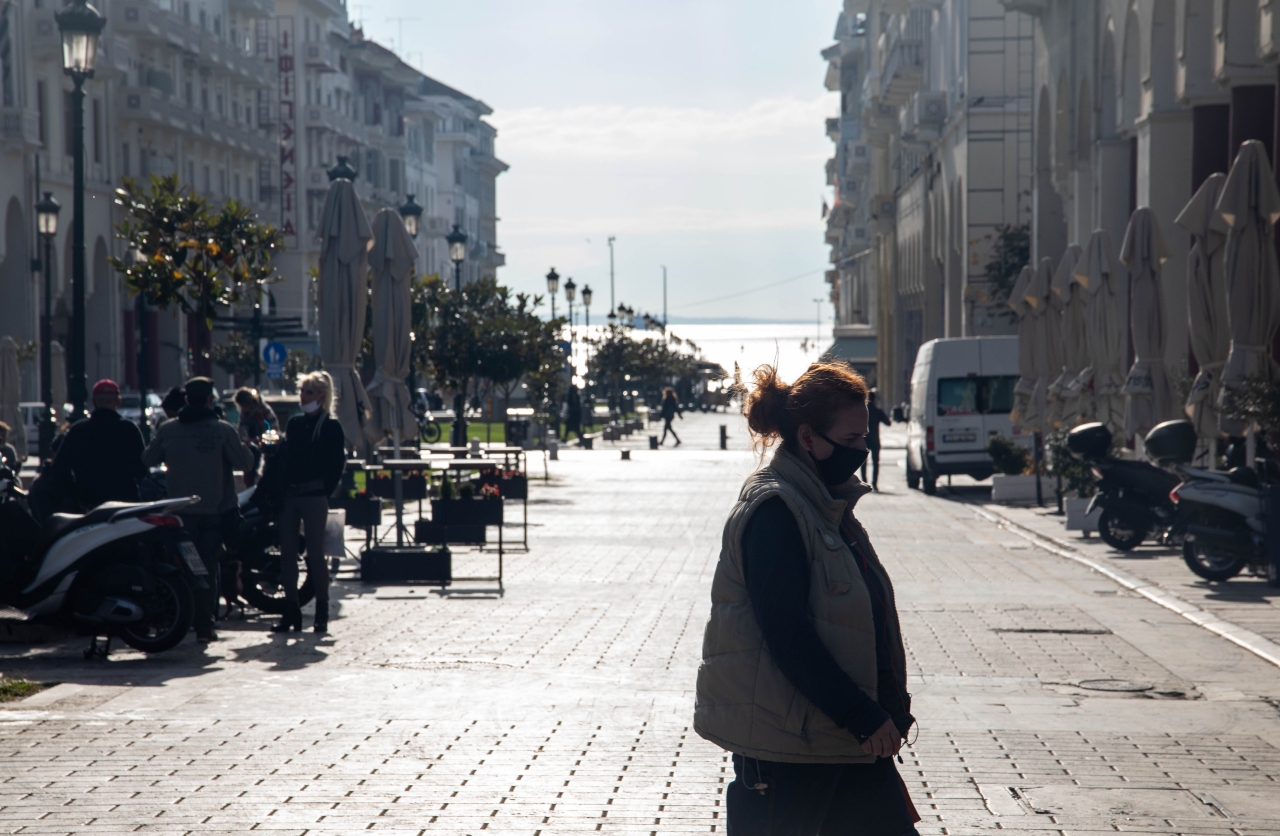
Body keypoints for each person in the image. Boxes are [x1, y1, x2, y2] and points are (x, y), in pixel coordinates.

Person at [694, 362, 918, 836]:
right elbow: (788, 636)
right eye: (852, 438)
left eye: (865, 436)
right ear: (808, 437)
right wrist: (863, 715)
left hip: (844, 745)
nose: (863, 449)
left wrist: (889, 707)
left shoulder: (827, 507)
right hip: (789, 755)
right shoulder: (776, 512)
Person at [143, 377, 254, 642]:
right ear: (209, 400)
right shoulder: (222, 430)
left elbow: (148, 458)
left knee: (177, 567)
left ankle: (175, 620)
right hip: (211, 514)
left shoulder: (169, 430)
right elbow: (246, 463)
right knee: (205, 569)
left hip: (178, 515)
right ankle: (204, 627)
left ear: (186, 400)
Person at [273, 371, 346, 634]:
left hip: (314, 494)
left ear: (322, 397)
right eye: (302, 392)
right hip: (291, 495)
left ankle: (322, 608)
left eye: (309, 393)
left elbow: (337, 464)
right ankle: (290, 607)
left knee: (315, 553)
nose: (303, 397)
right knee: (287, 553)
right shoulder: (294, 424)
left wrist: (324, 490)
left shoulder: (330, 427)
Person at [45, 380, 147, 509]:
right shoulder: (129, 429)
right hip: (125, 501)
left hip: (90, 503)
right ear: (118, 402)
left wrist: (76, 492)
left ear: (94, 402)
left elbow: (58, 469)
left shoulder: (78, 430)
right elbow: (142, 469)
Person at [234, 388, 277, 487]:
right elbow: (242, 427)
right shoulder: (245, 414)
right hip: (253, 447)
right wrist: (246, 439)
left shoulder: (264, 411)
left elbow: (273, 427)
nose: (244, 409)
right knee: (249, 470)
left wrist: (265, 439)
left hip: (268, 445)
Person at [862, 389, 892, 490]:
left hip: (864, 440)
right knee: (875, 463)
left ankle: (864, 482)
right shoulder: (877, 411)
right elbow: (888, 423)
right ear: (874, 399)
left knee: (863, 463)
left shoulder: (862, 411)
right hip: (875, 440)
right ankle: (874, 483)